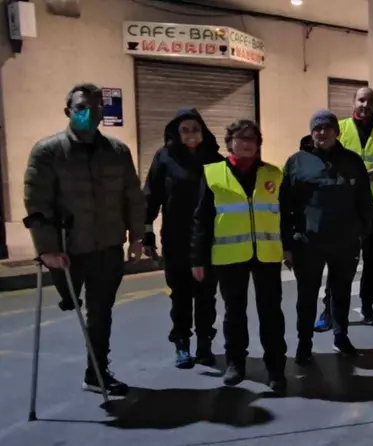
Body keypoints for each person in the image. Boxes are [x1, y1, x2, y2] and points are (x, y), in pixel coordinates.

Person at [23, 83, 144, 396]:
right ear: (68, 111)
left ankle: (97, 372)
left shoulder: (118, 152)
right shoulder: (48, 151)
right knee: (72, 304)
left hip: (108, 249)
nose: (89, 114)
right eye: (81, 108)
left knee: (101, 313)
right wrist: (47, 249)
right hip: (68, 250)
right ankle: (70, 299)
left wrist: (136, 237)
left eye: (96, 108)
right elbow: (37, 205)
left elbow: (133, 197)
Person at [190, 120, 287, 393]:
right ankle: (235, 363)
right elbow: (202, 219)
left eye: (253, 139)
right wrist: (197, 258)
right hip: (229, 254)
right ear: (229, 141)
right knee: (234, 313)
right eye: (241, 138)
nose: (247, 143)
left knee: (271, 313)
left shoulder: (273, 174)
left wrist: (289, 248)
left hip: (266, 254)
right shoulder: (212, 173)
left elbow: (285, 215)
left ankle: (276, 368)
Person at [282, 110, 373, 362]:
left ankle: (341, 336)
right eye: (317, 128)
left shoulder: (352, 161)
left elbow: (365, 200)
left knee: (341, 292)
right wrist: (287, 244)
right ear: (311, 133)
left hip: (345, 242)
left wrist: (361, 232)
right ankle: (304, 344)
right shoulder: (296, 162)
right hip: (308, 243)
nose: (322, 132)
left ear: (337, 131)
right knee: (307, 296)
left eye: (327, 127)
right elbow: (285, 205)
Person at [318, 87, 373, 328]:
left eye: (370, 101)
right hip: (344, 207)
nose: (365, 105)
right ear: (354, 102)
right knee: (338, 261)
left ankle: (367, 306)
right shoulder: (340, 129)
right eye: (361, 100)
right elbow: (325, 160)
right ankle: (329, 310)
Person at [143, 108, 224, 369]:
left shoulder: (215, 159)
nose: (190, 134)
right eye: (185, 130)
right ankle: (182, 343)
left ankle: (204, 344)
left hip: (208, 239)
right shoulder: (164, 158)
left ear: (203, 131)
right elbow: (151, 195)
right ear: (177, 134)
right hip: (176, 238)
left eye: (195, 129)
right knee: (180, 295)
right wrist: (146, 231)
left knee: (206, 295)